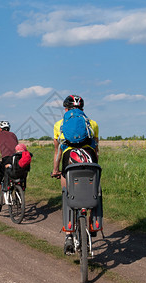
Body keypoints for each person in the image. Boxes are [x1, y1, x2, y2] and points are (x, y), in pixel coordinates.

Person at [51, 95, 99, 255]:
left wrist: (55, 170)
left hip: (68, 162)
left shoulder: (59, 124)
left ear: (65, 109)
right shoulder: (92, 124)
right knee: (96, 193)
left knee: (67, 195)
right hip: (91, 163)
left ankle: (69, 236)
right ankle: (94, 223)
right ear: (82, 109)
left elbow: (57, 151)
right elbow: (96, 149)